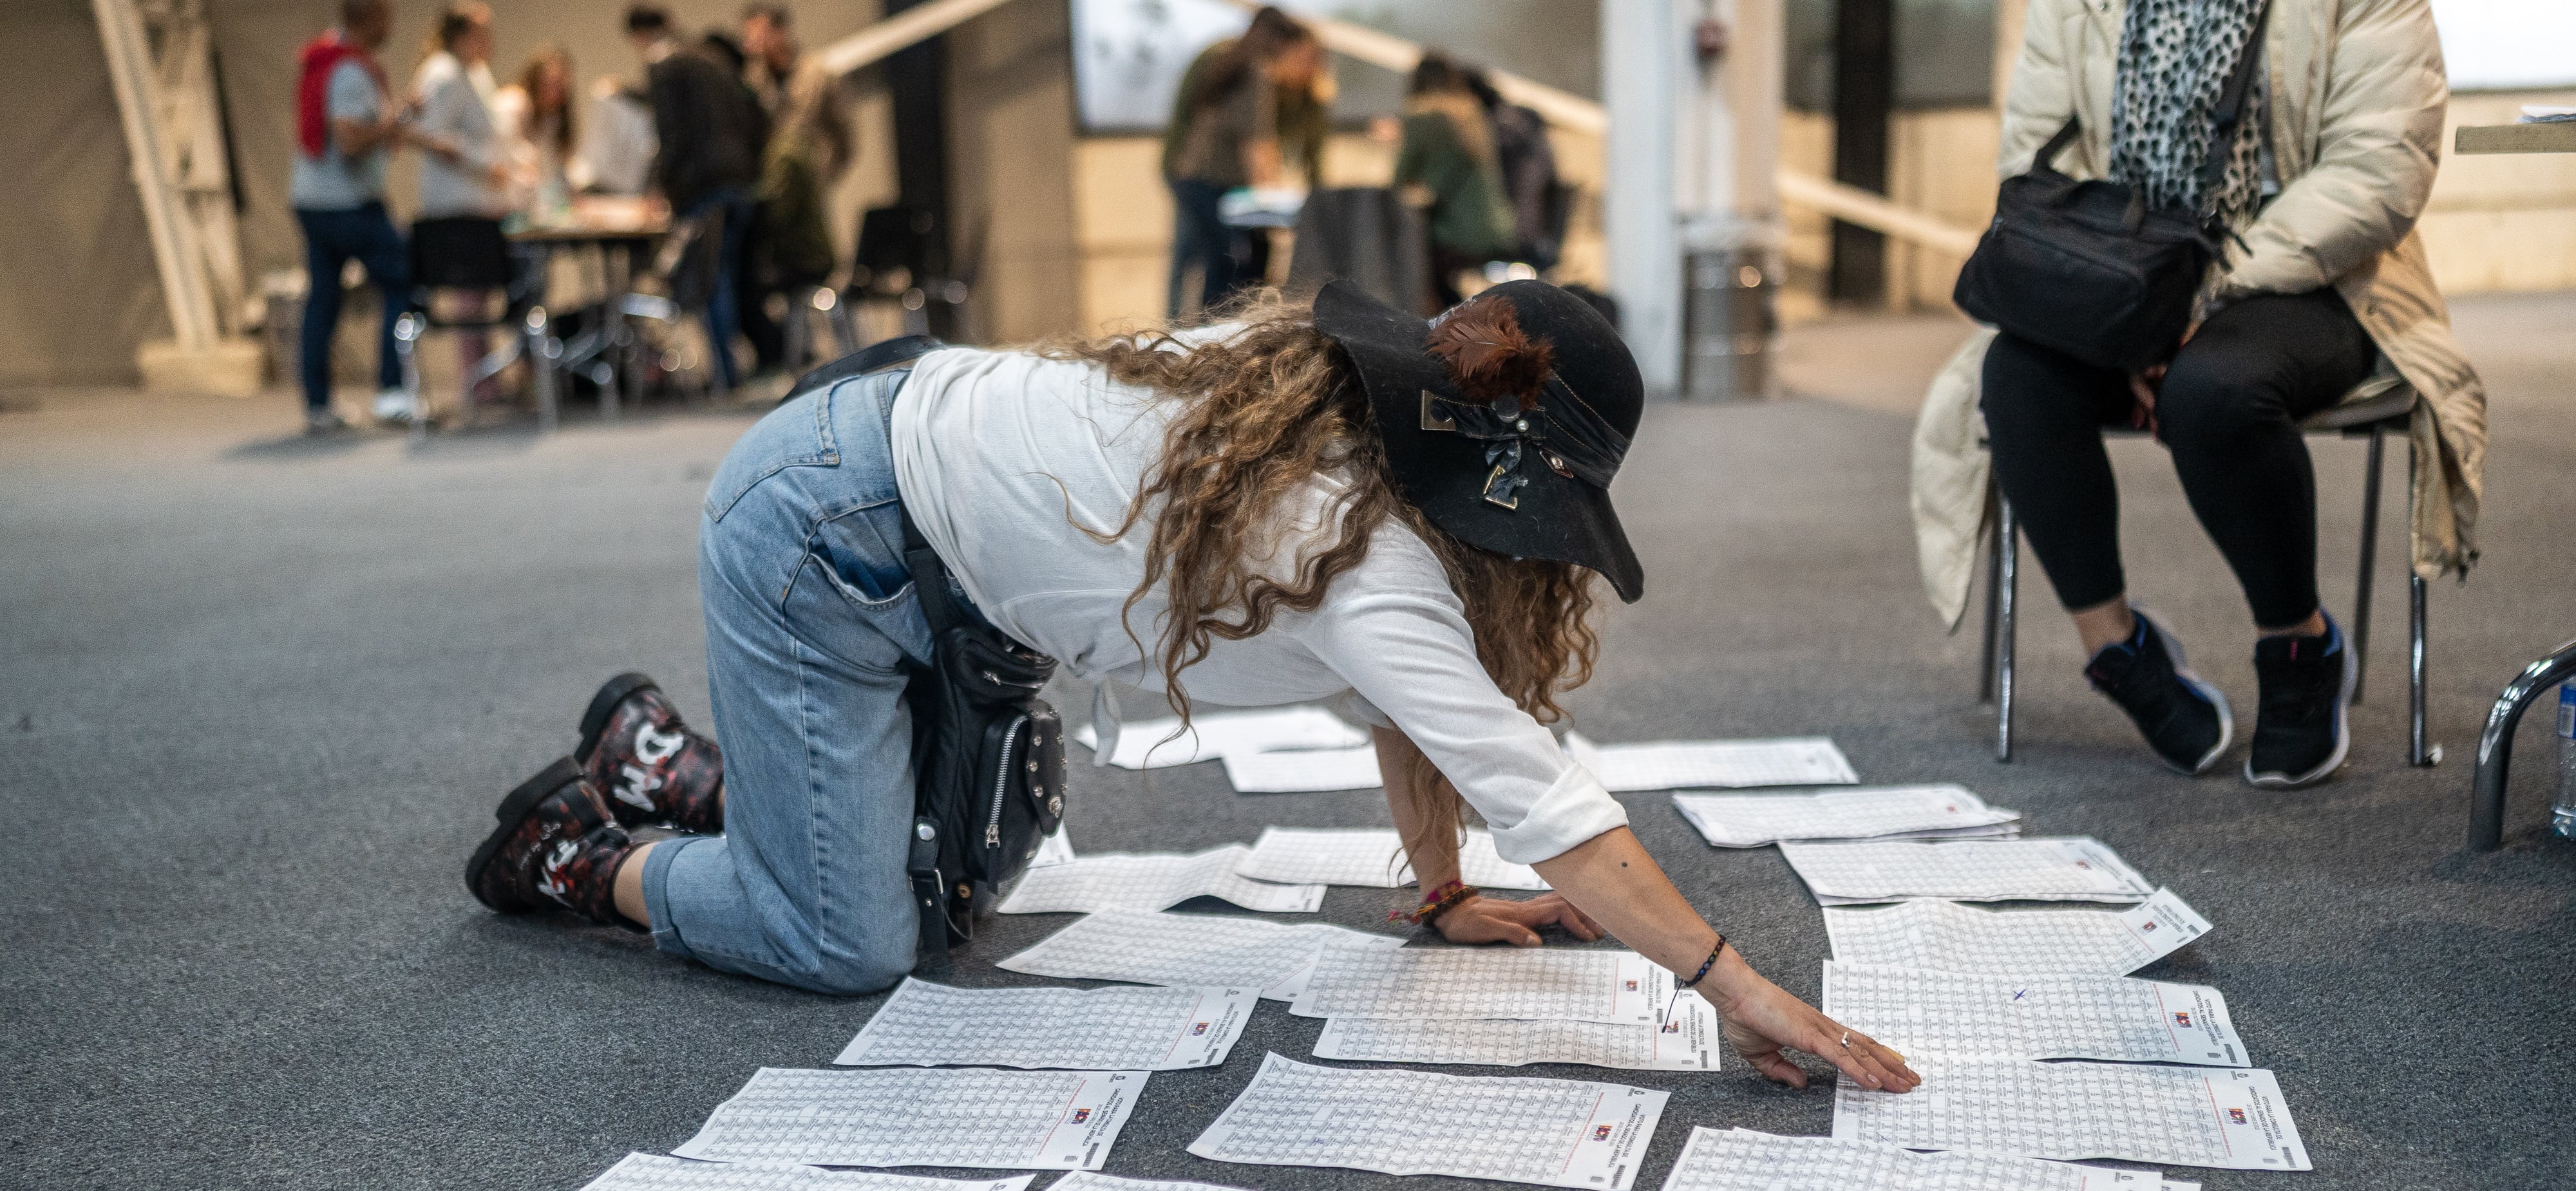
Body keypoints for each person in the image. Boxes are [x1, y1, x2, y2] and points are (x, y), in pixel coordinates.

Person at [459, 279, 1922, 1098]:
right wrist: (1729, 989)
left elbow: (1427, 719)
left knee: (971, 885)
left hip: (924, 544)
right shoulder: (1360, 554)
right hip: (822, 534)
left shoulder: (1340, 418)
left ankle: (674, 763)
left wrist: (1437, 887)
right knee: (848, 939)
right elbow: (1554, 803)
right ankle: (587, 851)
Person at [1919, 0, 2485, 788]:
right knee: (2017, 378)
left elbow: (2379, 173)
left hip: (2318, 281)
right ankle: (2114, 649)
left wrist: (2200, 299)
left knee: (2213, 391)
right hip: (2123, 276)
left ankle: (2300, 646)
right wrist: (2115, 306)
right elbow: (2037, 160)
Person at [623, 5, 767, 392]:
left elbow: (671, 136)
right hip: (740, 181)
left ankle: (725, 377)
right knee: (729, 277)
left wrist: (661, 187)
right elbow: (754, 118)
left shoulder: (664, 65)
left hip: (703, 187)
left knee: (709, 281)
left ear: (639, 35)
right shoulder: (715, 60)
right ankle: (737, 369)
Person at [289, 0, 415, 433]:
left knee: (323, 299)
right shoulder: (349, 70)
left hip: (314, 200)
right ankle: (394, 393)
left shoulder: (323, 58)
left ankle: (318, 405)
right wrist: (394, 122)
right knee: (402, 282)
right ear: (373, 18)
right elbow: (348, 139)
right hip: (348, 203)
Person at [1161, 8, 1323, 321]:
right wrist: (1268, 196)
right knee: (1227, 266)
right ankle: (1217, 341)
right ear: (1283, 45)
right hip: (1210, 182)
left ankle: (1185, 334)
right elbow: (1257, 143)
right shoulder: (1255, 71)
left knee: (1199, 261)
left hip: (1191, 177)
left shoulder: (1228, 59)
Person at [737, 5, 853, 374]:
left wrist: (823, 176)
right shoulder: (752, 80)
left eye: (759, 34)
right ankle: (790, 354)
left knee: (814, 269)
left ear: (780, 32)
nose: (752, 43)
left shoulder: (816, 72)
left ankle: (820, 355)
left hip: (810, 191)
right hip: (774, 189)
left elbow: (845, 135)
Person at [409, 5, 515, 404]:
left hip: (481, 203)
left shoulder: (473, 72)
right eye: (483, 31)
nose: (490, 39)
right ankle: (478, 384)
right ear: (460, 34)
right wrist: (483, 163)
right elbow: (428, 135)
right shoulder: (443, 73)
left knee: (481, 298)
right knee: (469, 300)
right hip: (455, 207)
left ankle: (486, 380)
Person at [1390, 55, 1519, 308]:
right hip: (1501, 228)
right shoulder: (1473, 112)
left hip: (1458, 236)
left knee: (1403, 252)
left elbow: (1400, 181)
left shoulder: (1423, 117)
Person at [1465, 66, 1560, 269]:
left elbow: (1522, 186)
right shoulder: (1520, 119)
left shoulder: (1498, 128)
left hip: (1515, 236)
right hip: (1533, 235)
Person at [493, 43, 581, 217]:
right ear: (534, 80)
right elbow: (500, 158)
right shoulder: (512, 104)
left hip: (536, 212)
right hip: (506, 210)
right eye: (550, 85)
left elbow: (553, 173)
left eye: (561, 88)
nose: (556, 95)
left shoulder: (552, 120)